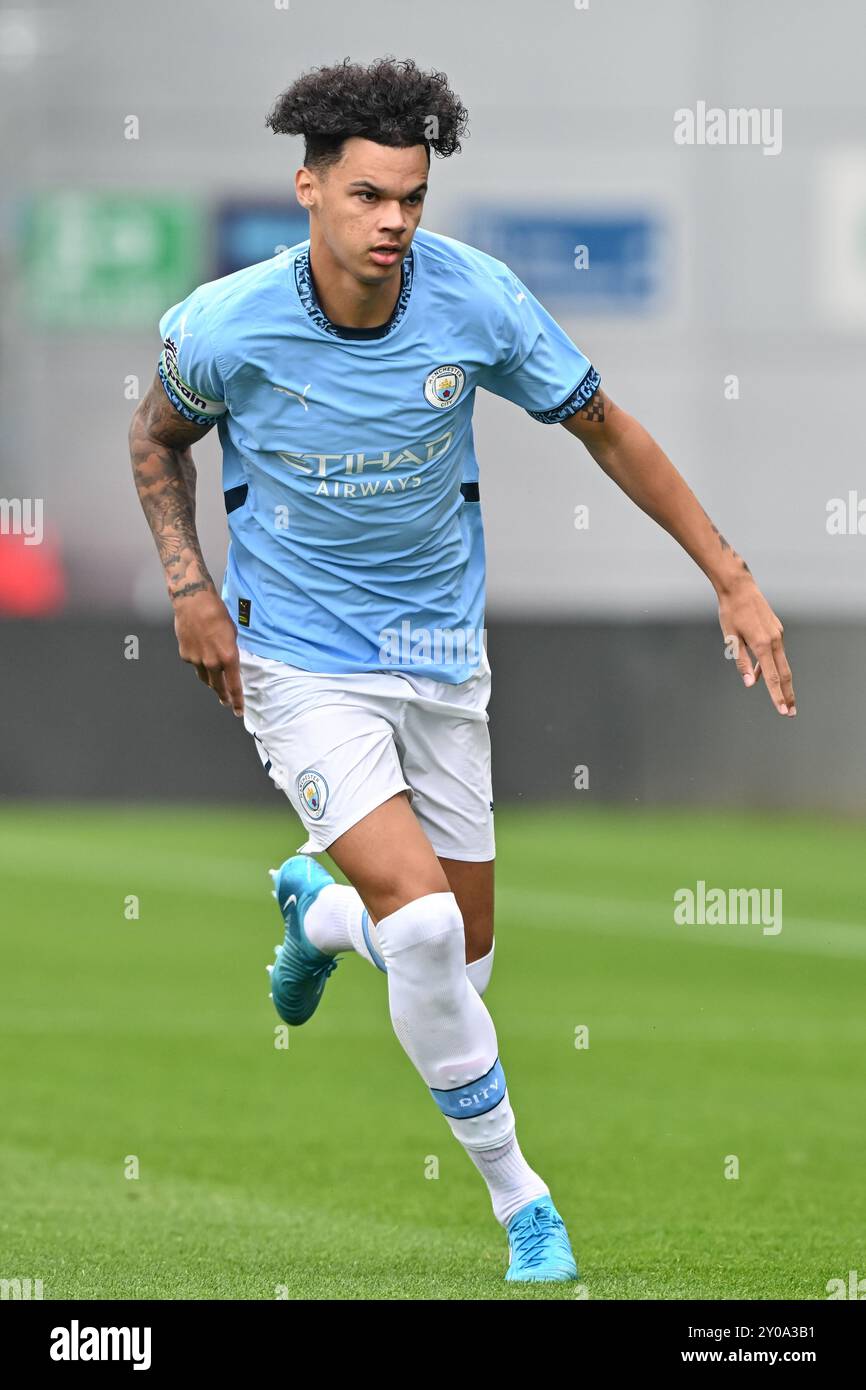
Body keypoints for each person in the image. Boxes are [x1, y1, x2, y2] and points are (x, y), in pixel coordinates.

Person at [129, 55, 796, 1285]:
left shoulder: (473, 301)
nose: (394, 222)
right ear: (310, 191)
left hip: (441, 659)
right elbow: (155, 438)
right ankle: (523, 1204)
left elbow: (606, 427)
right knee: (428, 930)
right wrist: (188, 588)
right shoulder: (230, 324)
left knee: (457, 960)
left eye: (413, 198)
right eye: (371, 196)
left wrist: (730, 574)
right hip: (299, 660)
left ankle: (320, 914)